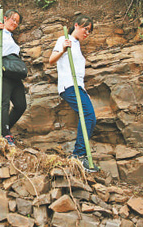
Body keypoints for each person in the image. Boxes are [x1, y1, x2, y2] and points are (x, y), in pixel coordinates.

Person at [48, 15, 99, 172]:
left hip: (77, 86)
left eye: (89, 31)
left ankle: (79, 155)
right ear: (76, 25)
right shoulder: (64, 39)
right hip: (69, 86)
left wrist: (83, 90)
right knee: (89, 115)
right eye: (85, 28)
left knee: (89, 116)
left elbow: (77, 72)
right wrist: (64, 48)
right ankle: (78, 155)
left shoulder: (76, 45)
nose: (87, 33)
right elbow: (51, 60)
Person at [0, 10, 26, 146]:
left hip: (13, 74)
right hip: (0, 72)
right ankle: (4, 134)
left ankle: (2, 129)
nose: (15, 23)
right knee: (3, 103)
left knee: (21, 105)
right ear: (5, 18)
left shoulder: (11, 37)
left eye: (17, 21)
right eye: (13, 19)